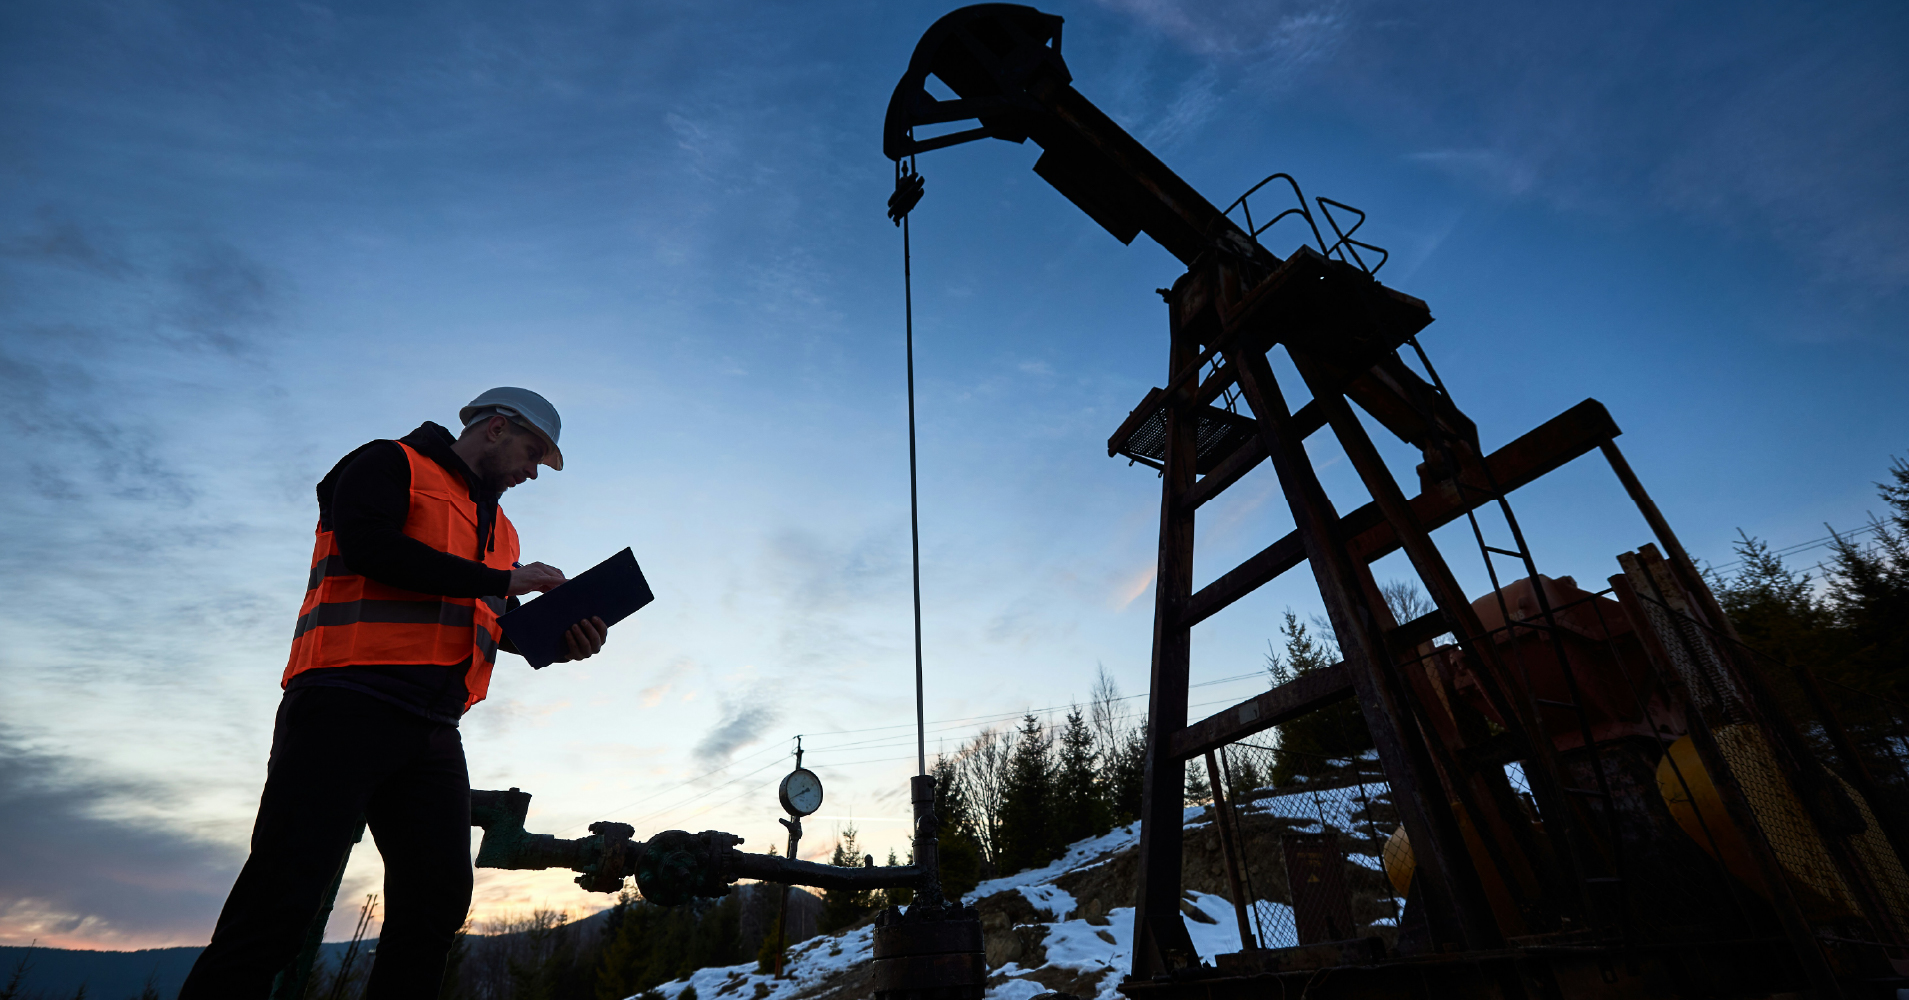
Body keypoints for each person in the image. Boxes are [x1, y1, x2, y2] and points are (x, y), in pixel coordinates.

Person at [180, 387, 609, 999]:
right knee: (280, 902)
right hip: (345, 702)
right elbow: (372, 549)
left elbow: (492, 620)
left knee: (434, 909)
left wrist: (563, 640)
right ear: (495, 428)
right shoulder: (388, 462)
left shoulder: (502, 531)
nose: (533, 471)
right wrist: (505, 579)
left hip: (434, 727)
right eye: (532, 452)